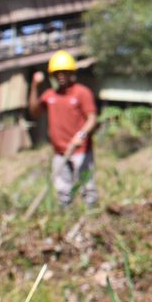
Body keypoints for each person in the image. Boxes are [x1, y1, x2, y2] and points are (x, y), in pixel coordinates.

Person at [27, 51, 99, 208]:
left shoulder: (82, 93)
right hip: (60, 152)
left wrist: (81, 134)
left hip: (81, 151)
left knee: (87, 187)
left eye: (64, 72)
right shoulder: (49, 95)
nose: (61, 76)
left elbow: (92, 119)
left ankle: (90, 217)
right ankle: (66, 217)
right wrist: (34, 86)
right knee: (63, 190)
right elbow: (34, 112)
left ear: (71, 73)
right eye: (57, 73)